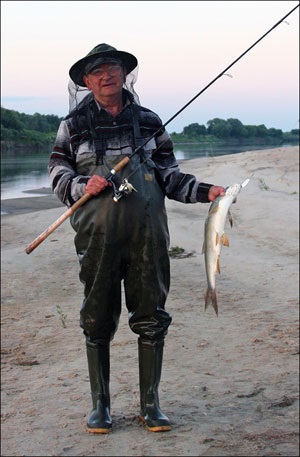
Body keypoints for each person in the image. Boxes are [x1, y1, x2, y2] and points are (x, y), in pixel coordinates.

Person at [48, 43, 226, 434]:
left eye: (113, 69)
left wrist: (207, 191)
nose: (106, 76)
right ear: (85, 81)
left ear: (125, 74)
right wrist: (81, 184)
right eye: (97, 72)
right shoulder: (72, 125)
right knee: (96, 319)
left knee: (151, 317)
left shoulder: (149, 121)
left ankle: (151, 405)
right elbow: (57, 174)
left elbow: (171, 176)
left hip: (148, 237)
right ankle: (100, 407)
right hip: (97, 239)